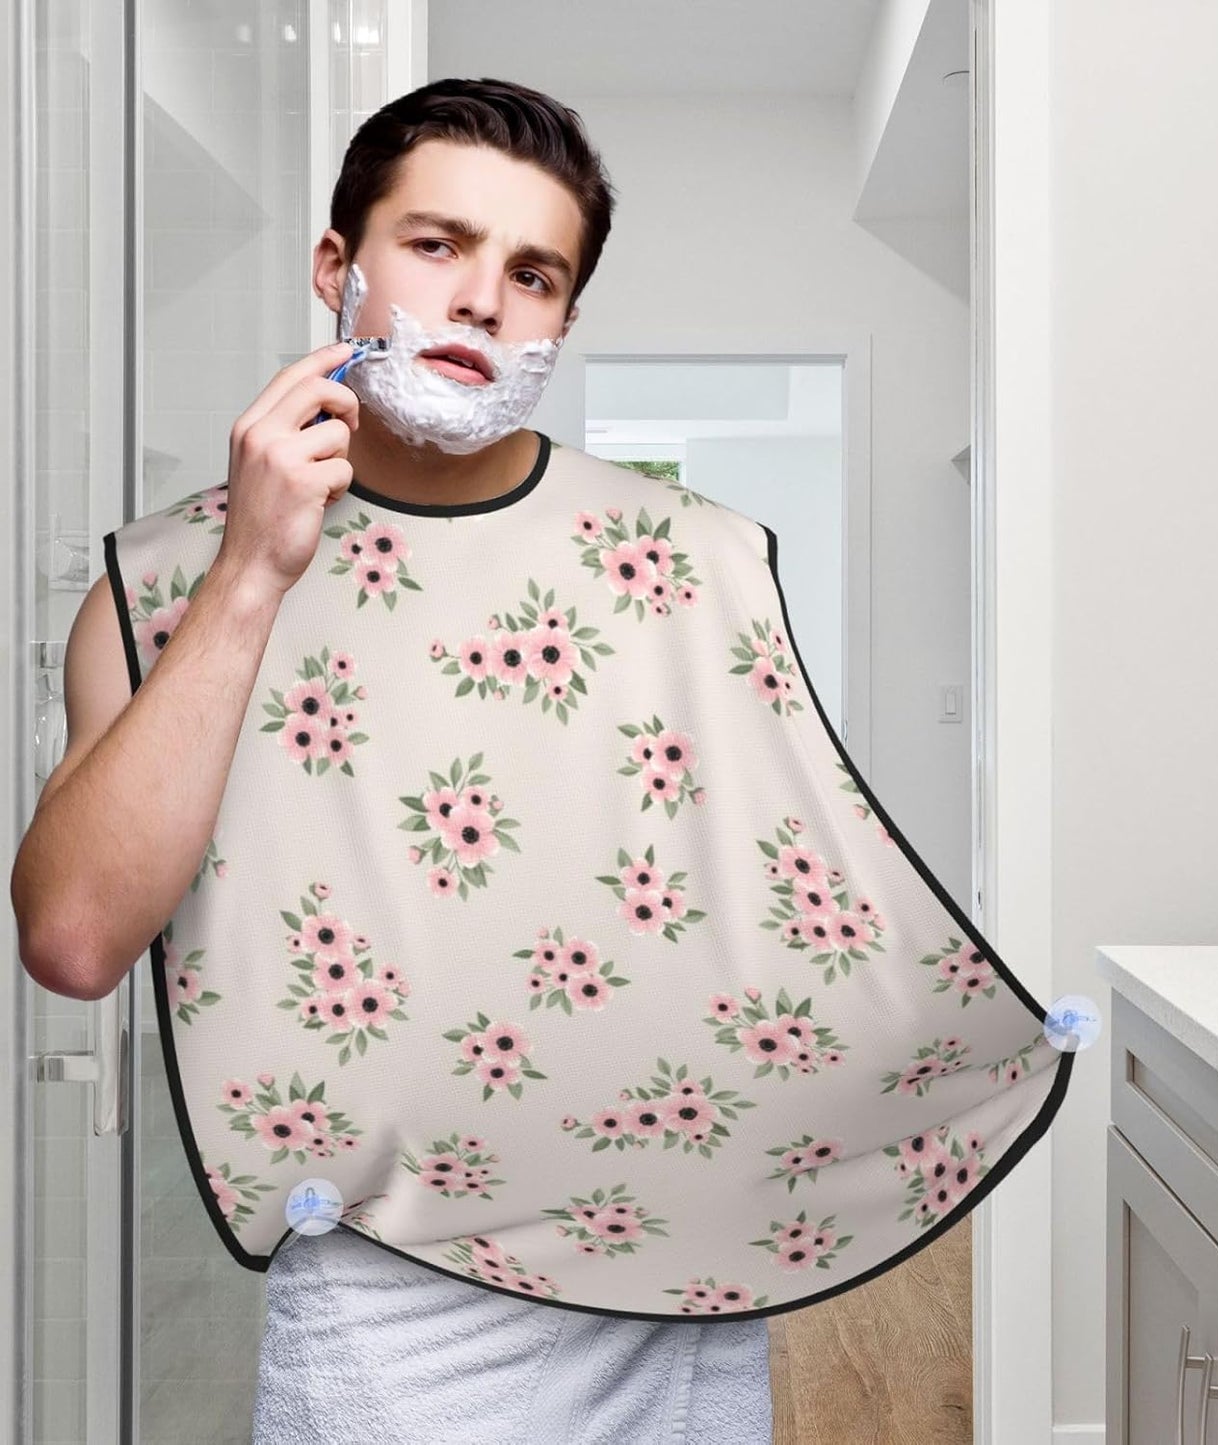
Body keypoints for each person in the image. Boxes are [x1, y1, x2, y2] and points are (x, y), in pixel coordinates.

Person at [12, 76, 773, 1444]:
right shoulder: (163, 578)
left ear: (563, 319)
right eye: (437, 245)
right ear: (337, 269)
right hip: (384, 1288)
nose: (482, 300)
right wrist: (252, 573)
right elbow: (72, 940)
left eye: (532, 273)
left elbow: (766, 921)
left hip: (670, 1250)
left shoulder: (692, 562)